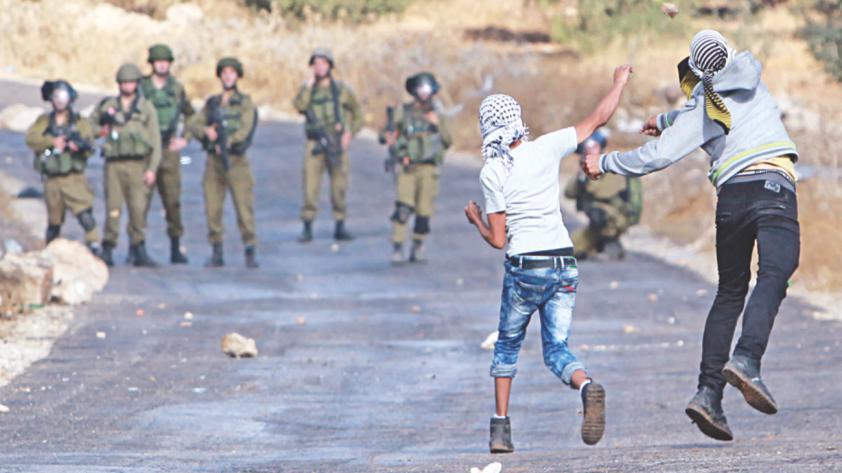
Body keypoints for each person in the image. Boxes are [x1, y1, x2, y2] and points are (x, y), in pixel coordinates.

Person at [583, 30, 800, 442]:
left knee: (730, 291)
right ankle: (748, 360)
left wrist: (605, 162)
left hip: (733, 198)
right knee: (775, 272)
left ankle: (708, 395)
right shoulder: (752, 78)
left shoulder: (706, 100)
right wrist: (664, 121)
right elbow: (709, 109)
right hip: (773, 187)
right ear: (731, 53)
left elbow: (666, 150)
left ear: (698, 74)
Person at [465, 64, 633, 453]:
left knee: (507, 345)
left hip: (525, 268)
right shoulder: (547, 146)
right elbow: (598, 119)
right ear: (518, 121)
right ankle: (587, 385)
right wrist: (619, 82)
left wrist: (475, 219)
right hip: (563, 264)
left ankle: (500, 429)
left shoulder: (492, 171)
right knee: (556, 348)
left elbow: (497, 239)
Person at [188, 57, 259, 268]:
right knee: (213, 207)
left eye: (232, 73)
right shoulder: (212, 103)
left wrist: (227, 142)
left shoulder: (245, 103)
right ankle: (216, 250)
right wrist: (206, 132)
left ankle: (250, 248)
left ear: (238, 76)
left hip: (236, 160)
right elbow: (194, 124)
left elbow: (246, 129)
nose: (228, 76)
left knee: (243, 207)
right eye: (224, 73)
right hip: (214, 162)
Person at [90, 63, 161, 267]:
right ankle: (109, 247)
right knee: (113, 208)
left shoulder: (146, 108)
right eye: (124, 82)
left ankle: (138, 247)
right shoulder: (108, 105)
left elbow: (155, 142)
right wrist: (101, 130)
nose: (128, 86)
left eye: (131, 82)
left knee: (138, 209)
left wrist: (152, 169)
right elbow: (90, 127)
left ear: (137, 84)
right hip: (114, 164)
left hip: (137, 164)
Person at [379, 72, 452, 263]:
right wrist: (388, 137)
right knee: (403, 207)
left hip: (428, 169)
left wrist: (437, 124)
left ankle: (418, 246)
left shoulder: (438, 114)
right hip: (407, 167)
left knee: (424, 211)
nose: (423, 92)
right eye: (420, 88)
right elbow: (385, 133)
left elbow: (448, 140)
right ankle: (397, 247)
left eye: (427, 88)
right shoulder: (404, 112)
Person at [293, 48, 364, 243]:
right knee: (310, 187)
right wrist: (307, 87)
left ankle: (340, 225)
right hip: (314, 143)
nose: (319, 67)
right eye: (316, 64)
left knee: (339, 186)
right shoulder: (308, 89)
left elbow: (358, 113)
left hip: (336, 142)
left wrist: (349, 133)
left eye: (323, 63)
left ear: (330, 66)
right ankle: (307, 226)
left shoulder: (342, 90)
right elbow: (299, 106)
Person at [25, 80, 99, 252]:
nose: (59, 100)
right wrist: (52, 142)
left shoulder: (79, 122)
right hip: (52, 178)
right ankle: (50, 250)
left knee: (85, 214)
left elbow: (89, 144)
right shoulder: (44, 121)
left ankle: (94, 245)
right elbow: (31, 139)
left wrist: (77, 147)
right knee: (54, 220)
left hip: (73, 177)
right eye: (56, 95)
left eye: (63, 96)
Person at [140, 43, 195, 264]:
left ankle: (175, 245)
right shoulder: (142, 88)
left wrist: (185, 139)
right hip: (147, 150)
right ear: (152, 64)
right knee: (141, 201)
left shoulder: (177, 89)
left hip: (169, 148)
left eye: (165, 61)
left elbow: (191, 115)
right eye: (158, 61)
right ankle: (138, 246)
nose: (162, 65)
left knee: (172, 201)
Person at [564, 129, 642, 260]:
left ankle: (609, 241)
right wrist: (581, 175)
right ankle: (599, 245)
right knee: (570, 248)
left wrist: (588, 173)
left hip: (616, 217)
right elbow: (569, 193)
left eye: (593, 146)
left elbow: (598, 191)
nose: (589, 150)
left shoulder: (608, 166)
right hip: (599, 223)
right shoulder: (585, 168)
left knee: (597, 212)